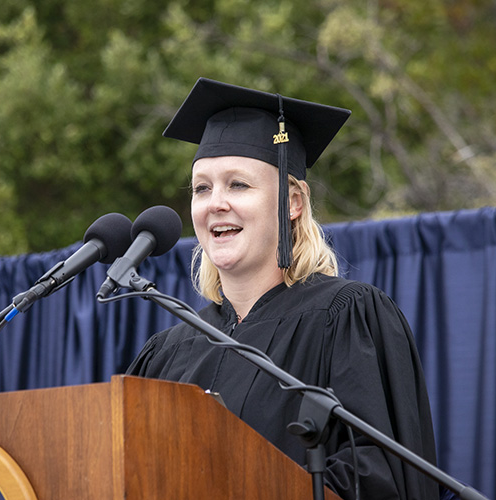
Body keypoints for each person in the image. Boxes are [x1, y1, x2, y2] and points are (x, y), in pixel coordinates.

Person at [126, 77, 439, 500]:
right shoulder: (169, 354)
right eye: (202, 188)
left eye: (238, 184)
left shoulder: (344, 317)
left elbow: (378, 475)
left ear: (292, 203)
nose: (216, 202)